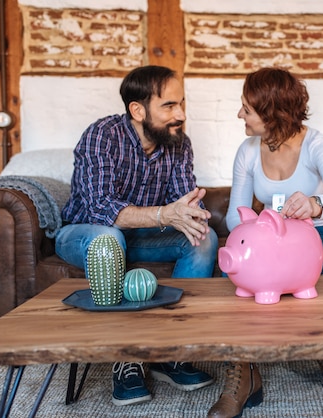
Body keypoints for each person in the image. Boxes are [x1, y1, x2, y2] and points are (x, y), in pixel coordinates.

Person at [56, 65, 218, 406]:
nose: (181, 114)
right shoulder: (102, 135)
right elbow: (102, 208)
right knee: (109, 238)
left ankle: (169, 350)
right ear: (137, 110)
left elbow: (183, 201)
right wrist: (165, 214)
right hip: (85, 235)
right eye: (170, 106)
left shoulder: (178, 144)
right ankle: (126, 358)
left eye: (181, 104)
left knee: (204, 238)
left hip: (142, 234)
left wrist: (193, 214)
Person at [208, 67, 323, 418]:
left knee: (286, 277)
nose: (239, 115)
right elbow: (235, 215)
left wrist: (314, 204)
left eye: (247, 109)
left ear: (272, 113)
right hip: (272, 243)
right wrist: (253, 230)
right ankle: (242, 373)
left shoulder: (316, 144)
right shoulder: (247, 151)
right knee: (246, 277)